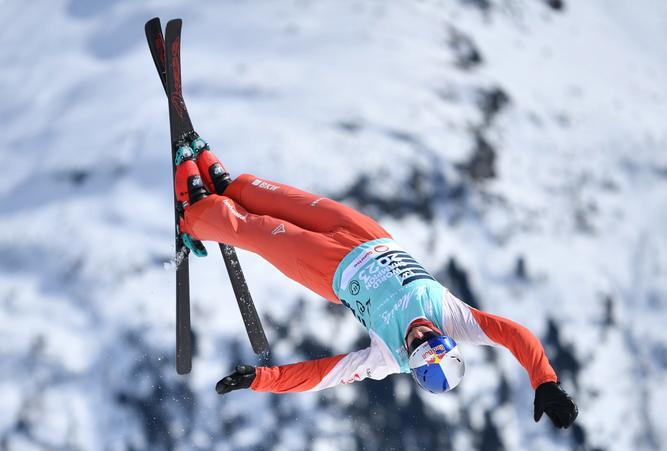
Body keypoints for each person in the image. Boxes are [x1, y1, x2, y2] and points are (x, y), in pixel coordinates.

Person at [174, 137, 578, 429]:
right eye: (431, 338)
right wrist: (544, 380)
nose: (419, 335)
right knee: (279, 199)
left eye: (416, 347)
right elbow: (515, 335)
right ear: (445, 339)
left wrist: (262, 380)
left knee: (255, 230)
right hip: (368, 235)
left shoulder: (387, 358)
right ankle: (223, 184)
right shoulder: (456, 320)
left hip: (328, 268)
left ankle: (192, 215)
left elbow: (322, 374)